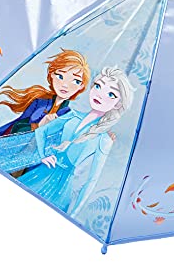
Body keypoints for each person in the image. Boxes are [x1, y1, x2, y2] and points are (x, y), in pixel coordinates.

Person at [18, 67, 135, 217]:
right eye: (98, 86)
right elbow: (41, 132)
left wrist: (74, 214)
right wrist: (43, 155)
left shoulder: (104, 139)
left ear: (118, 104)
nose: (100, 94)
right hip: (40, 172)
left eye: (111, 94)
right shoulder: (72, 115)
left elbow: (91, 180)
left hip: (61, 187)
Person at [0, 49, 90, 140]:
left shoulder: (68, 115)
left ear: (81, 86)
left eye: (76, 81)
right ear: (52, 75)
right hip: (11, 145)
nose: (65, 85)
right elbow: (17, 127)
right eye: (60, 76)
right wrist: (38, 126)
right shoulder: (40, 101)